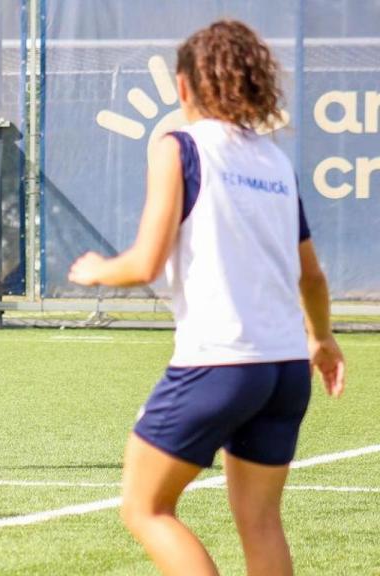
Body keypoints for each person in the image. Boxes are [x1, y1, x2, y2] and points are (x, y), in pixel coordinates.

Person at [68, 20, 346, 576]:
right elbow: (311, 277)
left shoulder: (179, 147)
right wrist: (322, 339)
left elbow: (145, 263)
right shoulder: (274, 161)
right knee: (262, 521)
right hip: (286, 366)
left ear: (186, 86)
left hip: (220, 361)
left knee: (146, 507)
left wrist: (99, 268)